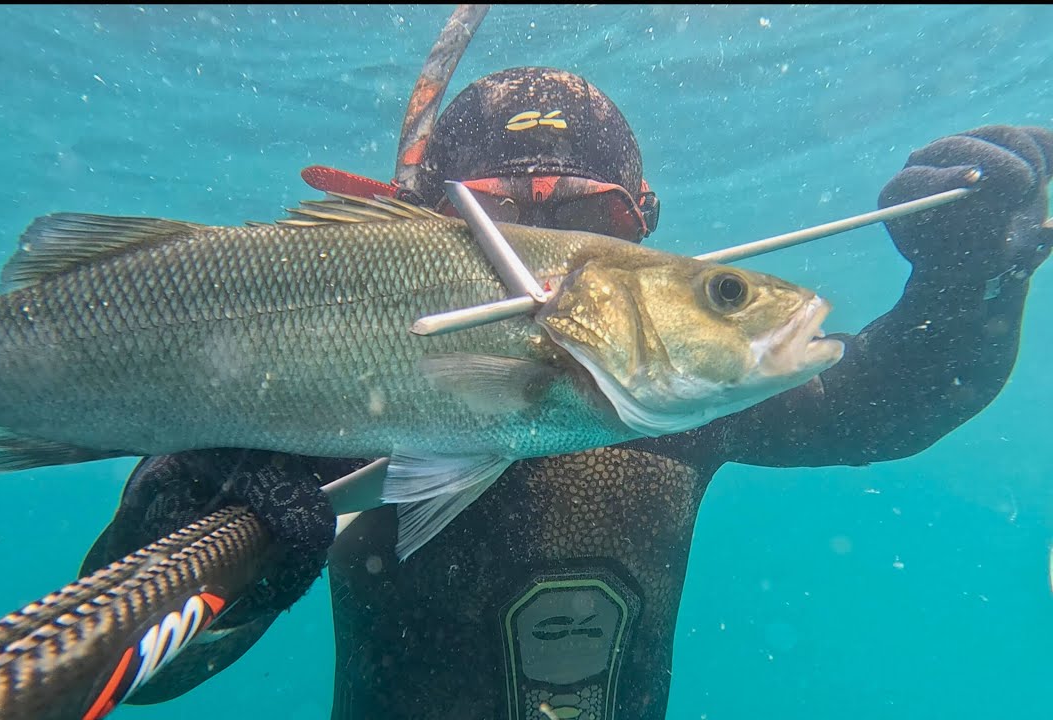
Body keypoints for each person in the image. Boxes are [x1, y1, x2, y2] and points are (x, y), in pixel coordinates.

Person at [79, 65, 1052, 719]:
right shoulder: (335, 406)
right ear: (416, 230)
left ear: (641, 230)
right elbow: (130, 666)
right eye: (488, 223)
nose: (533, 277)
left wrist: (967, 283)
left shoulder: (676, 387)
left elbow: (884, 404)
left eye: (584, 218)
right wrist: (194, 542)